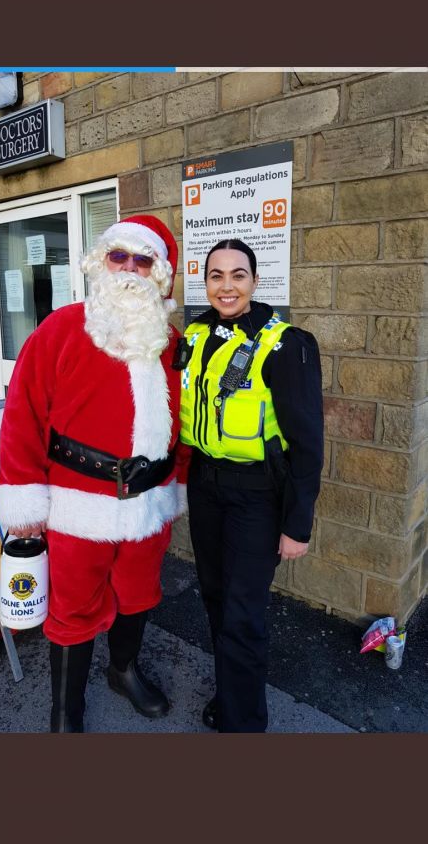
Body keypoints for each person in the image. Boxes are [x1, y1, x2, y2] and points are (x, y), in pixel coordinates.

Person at [0, 214, 188, 732]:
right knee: (73, 607)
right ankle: (66, 709)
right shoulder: (60, 328)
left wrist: (182, 483)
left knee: (140, 593)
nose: (128, 269)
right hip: (77, 503)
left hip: (150, 502)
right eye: (117, 256)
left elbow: (184, 422)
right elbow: (22, 416)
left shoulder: (170, 343)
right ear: (100, 262)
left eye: (141, 260)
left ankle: (123, 670)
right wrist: (23, 500)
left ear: (159, 274)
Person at [179, 238, 323, 733]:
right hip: (206, 487)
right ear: (205, 283)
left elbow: (308, 443)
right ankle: (230, 695)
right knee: (216, 598)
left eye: (238, 275)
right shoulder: (195, 335)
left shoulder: (285, 345)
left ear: (256, 281)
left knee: (243, 613)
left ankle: (244, 723)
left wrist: (297, 525)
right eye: (216, 276)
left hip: (257, 497)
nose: (227, 286)